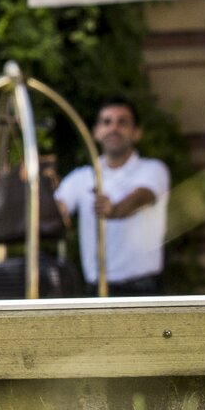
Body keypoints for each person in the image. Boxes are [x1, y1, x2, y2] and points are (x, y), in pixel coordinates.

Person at [54, 97, 170, 297]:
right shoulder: (81, 177)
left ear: (136, 133)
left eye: (122, 122)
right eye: (106, 122)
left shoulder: (152, 170)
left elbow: (140, 197)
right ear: (96, 132)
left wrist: (114, 210)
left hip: (142, 289)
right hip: (96, 290)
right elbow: (53, 211)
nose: (113, 128)